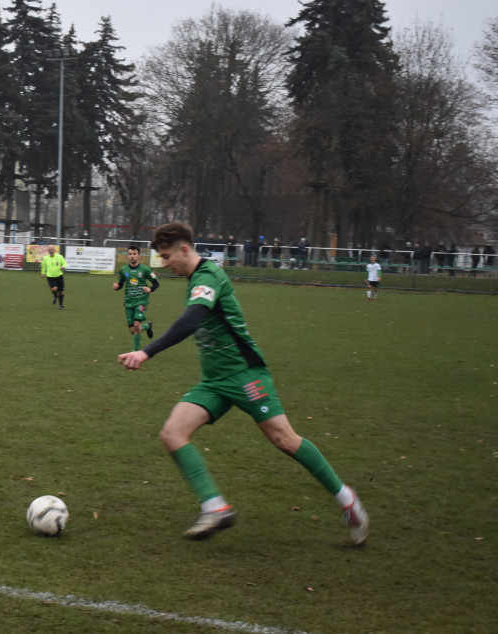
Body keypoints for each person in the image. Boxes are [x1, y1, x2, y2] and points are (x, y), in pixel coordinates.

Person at [117, 222, 369, 545]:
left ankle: (347, 499)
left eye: (166, 256)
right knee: (172, 433)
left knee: (285, 440)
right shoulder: (195, 278)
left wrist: (146, 352)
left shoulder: (209, 276)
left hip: (245, 375)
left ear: (184, 249)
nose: (164, 264)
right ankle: (215, 507)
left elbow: (192, 319)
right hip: (214, 381)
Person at [113, 244, 159, 351]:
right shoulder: (124, 270)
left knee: (136, 325)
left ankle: (135, 352)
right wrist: (117, 286)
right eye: (130, 254)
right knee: (133, 330)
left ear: (139, 256)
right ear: (128, 256)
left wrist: (150, 289)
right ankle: (147, 326)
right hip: (129, 302)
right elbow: (120, 284)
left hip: (141, 301)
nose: (132, 256)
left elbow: (156, 283)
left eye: (134, 254)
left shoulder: (145, 270)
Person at [40, 244, 68, 309]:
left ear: (55, 250)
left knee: (61, 292)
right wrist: (43, 273)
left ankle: (61, 305)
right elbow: (43, 266)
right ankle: (55, 296)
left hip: (59, 276)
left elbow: (65, 263)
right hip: (50, 276)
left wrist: (63, 267)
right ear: (48, 250)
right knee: (54, 289)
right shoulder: (45, 258)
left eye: (52, 249)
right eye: (49, 250)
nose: (51, 251)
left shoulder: (59, 257)